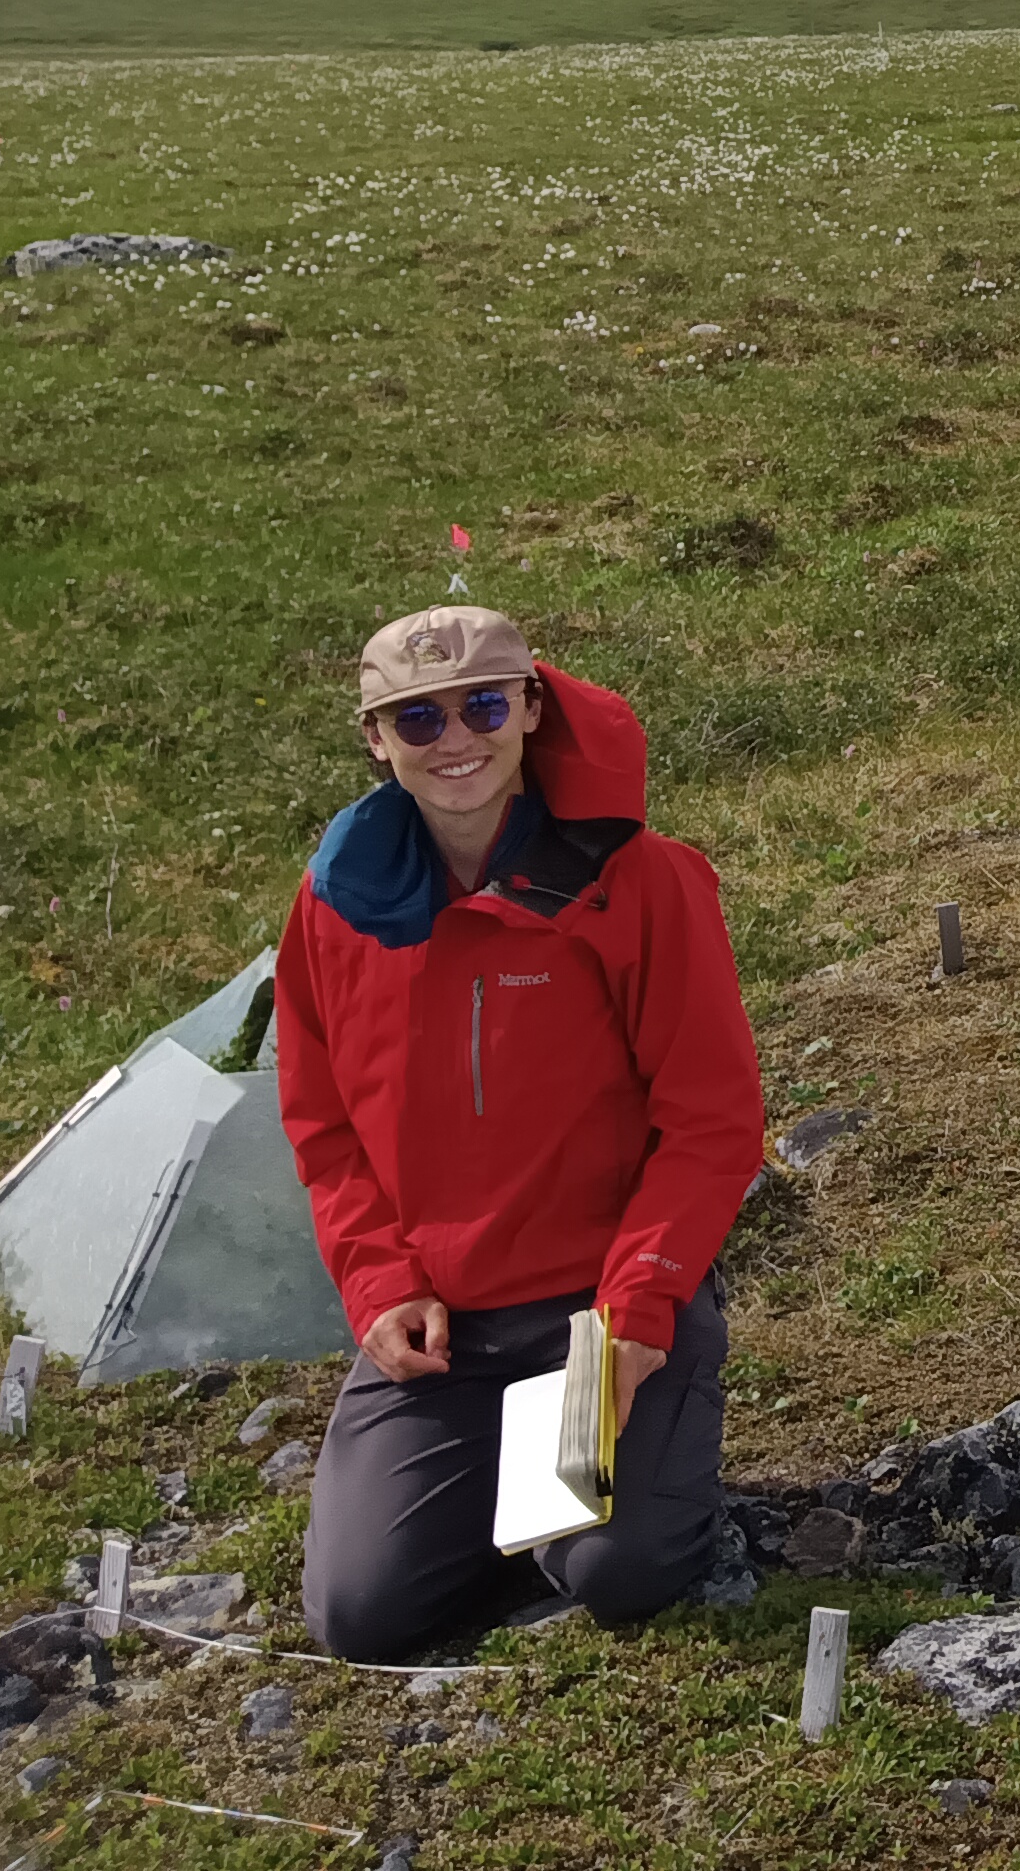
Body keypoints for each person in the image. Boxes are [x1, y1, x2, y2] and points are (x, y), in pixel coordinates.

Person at [277, 605, 764, 1660]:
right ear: (375, 739)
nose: (455, 739)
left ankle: (599, 1464)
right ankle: (516, 1474)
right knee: (361, 1617)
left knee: (612, 1570)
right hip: (442, 1331)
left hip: (597, 1318)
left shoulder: (640, 879)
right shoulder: (332, 910)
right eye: (416, 720)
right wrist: (378, 1285)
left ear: (531, 708)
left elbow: (712, 1120)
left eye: (484, 705)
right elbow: (321, 1128)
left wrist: (639, 1305)